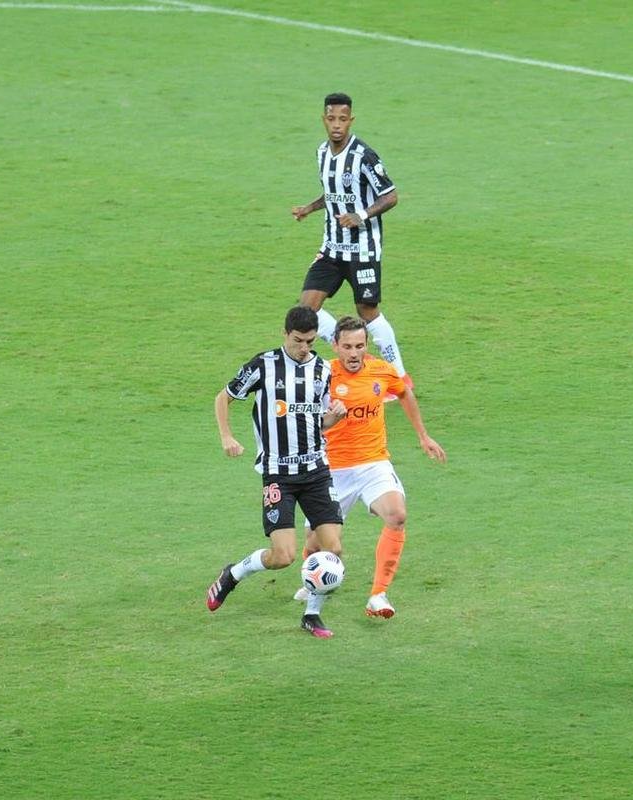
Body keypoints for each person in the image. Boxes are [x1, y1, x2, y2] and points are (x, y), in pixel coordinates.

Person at [205, 306, 348, 639]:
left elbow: (317, 420)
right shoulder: (263, 365)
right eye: (298, 340)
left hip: (316, 472)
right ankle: (233, 574)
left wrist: (334, 418)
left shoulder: (322, 370)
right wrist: (227, 436)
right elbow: (222, 398)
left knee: (334, 549)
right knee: (283, 556)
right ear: (285, 334)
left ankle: (312, 615)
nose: (304, 347)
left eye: (310, 342)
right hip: (278, 475)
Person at [292, 316, 445, 618]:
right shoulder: (319, 375)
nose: (353, 353)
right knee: (317, 542)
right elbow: (298, 415)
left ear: (366, 345)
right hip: (330, 469)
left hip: (373, 463)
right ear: (335, 345)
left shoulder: (381, 371)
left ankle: (378, 595)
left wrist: (423, 436)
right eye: (347, 346)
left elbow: (403, 392)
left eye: (359, 346)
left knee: (397, 515)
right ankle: (315, 577)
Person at [290, 93, 412, 397]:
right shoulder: (321, 153)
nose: (336, 125)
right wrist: (310, 207)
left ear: (351, 121)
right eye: (331, 119)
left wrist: (361, 215)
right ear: (323, 119)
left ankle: (399, 378)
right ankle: (354, 353)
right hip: (331, 248)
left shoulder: (363, 155)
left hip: (363, 250)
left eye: (343, 119)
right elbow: (332, 194)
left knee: (367, 311)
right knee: (306, 310)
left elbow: (391, 195)